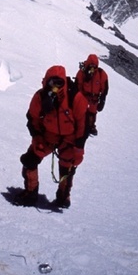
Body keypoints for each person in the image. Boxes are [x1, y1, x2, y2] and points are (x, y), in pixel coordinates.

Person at [17, 65, 88, 208]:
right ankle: (30, 194)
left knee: (67, 168)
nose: (55, 86)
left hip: (69, 139)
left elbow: (83, 126)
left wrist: (79, 149)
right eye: (51, 82)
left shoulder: (75, 97)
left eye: (59, 83)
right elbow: (32, 119)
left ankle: (63, 197)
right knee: (30, 160)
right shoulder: (40, 97)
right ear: (46, 82)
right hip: (47, 136)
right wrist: (37, 138)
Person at [75, 54, 109, 137]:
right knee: (81, 113)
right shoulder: (82, 73)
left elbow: (105, 88)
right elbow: (77, 86)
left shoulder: (101, 74)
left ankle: (90, 126)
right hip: (83, 97)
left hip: (94, 99)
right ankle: (79, 126)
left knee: (92, 113)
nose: (92, 68)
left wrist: (102, 99)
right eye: (91, 66)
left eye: (94, 66)